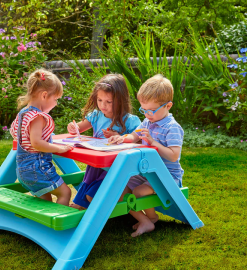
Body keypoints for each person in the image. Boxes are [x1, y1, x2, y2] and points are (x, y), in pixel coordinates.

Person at [109, 74, 184, 237]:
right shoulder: (147, 122)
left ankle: (151, 217)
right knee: (119, 185)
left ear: (168, 106)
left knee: (139, 192)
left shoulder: (172, 128)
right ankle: (145, 219)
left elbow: (173, 156)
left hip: (167, 176)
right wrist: (121, 138)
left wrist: (153, 142)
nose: (147, 114)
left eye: (151, 110)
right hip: (146, 173)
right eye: (144, 110)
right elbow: (134, 136)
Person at [67, 74, 141, 210]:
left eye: (109, 102)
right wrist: (73, 127)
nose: (103, 105)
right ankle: (82, 203)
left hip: (116, 166)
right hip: (96, 163)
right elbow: (79, 128)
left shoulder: (130, 120)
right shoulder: (96, 115)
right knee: (89, 178)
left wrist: (119, 136)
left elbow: (139, 141)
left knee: (96, 188)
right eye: (99, 100)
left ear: (121, 100)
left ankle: (89, 202)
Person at [10, 69, 73, 206]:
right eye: (55, 99)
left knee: (45, 201)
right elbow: (36, 143)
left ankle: (42, 225)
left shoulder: (23, 113)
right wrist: (59, 148)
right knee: (65, 193)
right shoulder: (38, 117)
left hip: (22, 170)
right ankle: (59, 223)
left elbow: (15, 133)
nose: (56, 104)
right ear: (44, 95)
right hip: (36, 169)